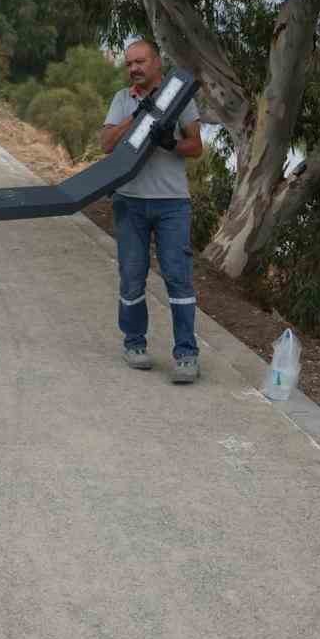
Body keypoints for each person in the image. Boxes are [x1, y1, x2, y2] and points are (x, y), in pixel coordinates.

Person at [97, 38, 205, 384]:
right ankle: (134, 344)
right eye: (129, 63)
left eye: (140, 61)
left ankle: (186, 355)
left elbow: (196, 147)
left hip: (172, 202)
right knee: (131, 276)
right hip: (129, 201)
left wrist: (171, 143)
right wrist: (136, 118)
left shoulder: (179, 98)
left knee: (178, 278)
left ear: (157, 62)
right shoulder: (121, 99)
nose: (134, 68)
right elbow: (107, 144)